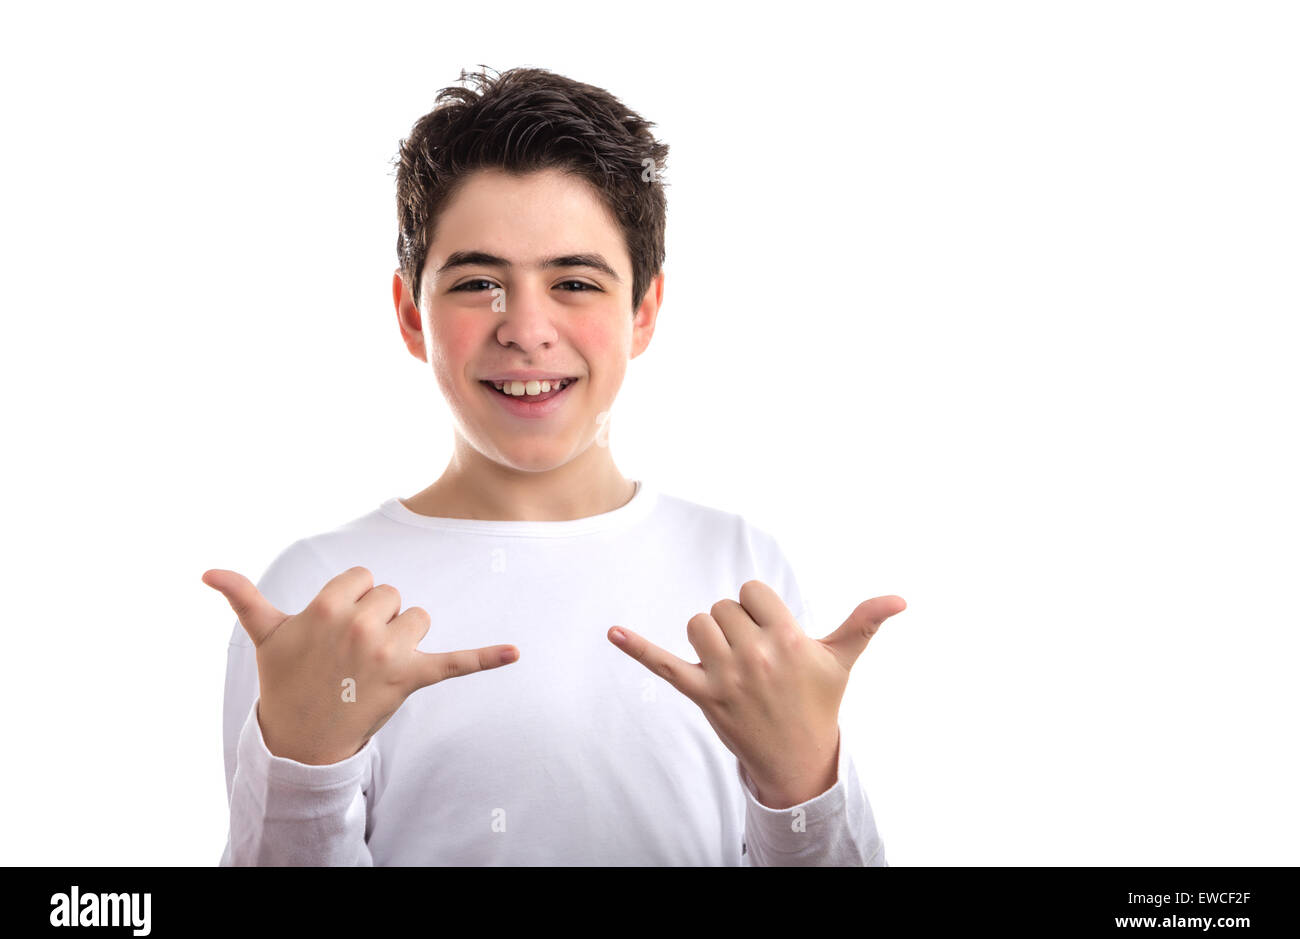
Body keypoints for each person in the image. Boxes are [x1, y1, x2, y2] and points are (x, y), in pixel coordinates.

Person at [202, 65, 905, 866]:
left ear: (643, 311)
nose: (526, 329)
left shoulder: (743, 572)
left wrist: (805, 785)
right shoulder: (318, 598)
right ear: (410, 314)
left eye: (574, 281)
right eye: (477, 282)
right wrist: (304, 769)